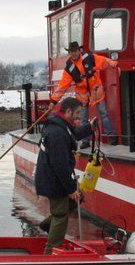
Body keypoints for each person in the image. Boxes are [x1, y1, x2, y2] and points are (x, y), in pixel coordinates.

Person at [35, 97, 94, 253]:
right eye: (77, 113)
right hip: (53, 180)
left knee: (77, 199)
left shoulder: (61, 125)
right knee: (60, 214)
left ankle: (47, 225)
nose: (79, 116)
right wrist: (70, 189)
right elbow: (59, 165)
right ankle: (51, 252)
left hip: (52, 177)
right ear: (68, 111)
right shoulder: (57, 133)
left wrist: (89, 127)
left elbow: (73, 134)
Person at [50, 41, 118, 140]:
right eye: (71, 51)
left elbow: (104, 61)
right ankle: (85, 140)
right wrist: (53, 100)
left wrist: (115, 64)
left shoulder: (89, 58)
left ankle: (111, 136)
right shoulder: (69, 68)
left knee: (104, 114)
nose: (73, 53)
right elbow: (62, 86)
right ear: (69, 53)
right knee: (83, 118)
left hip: (96, 91)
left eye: (75, 51)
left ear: (79, 50)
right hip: (82, 95)